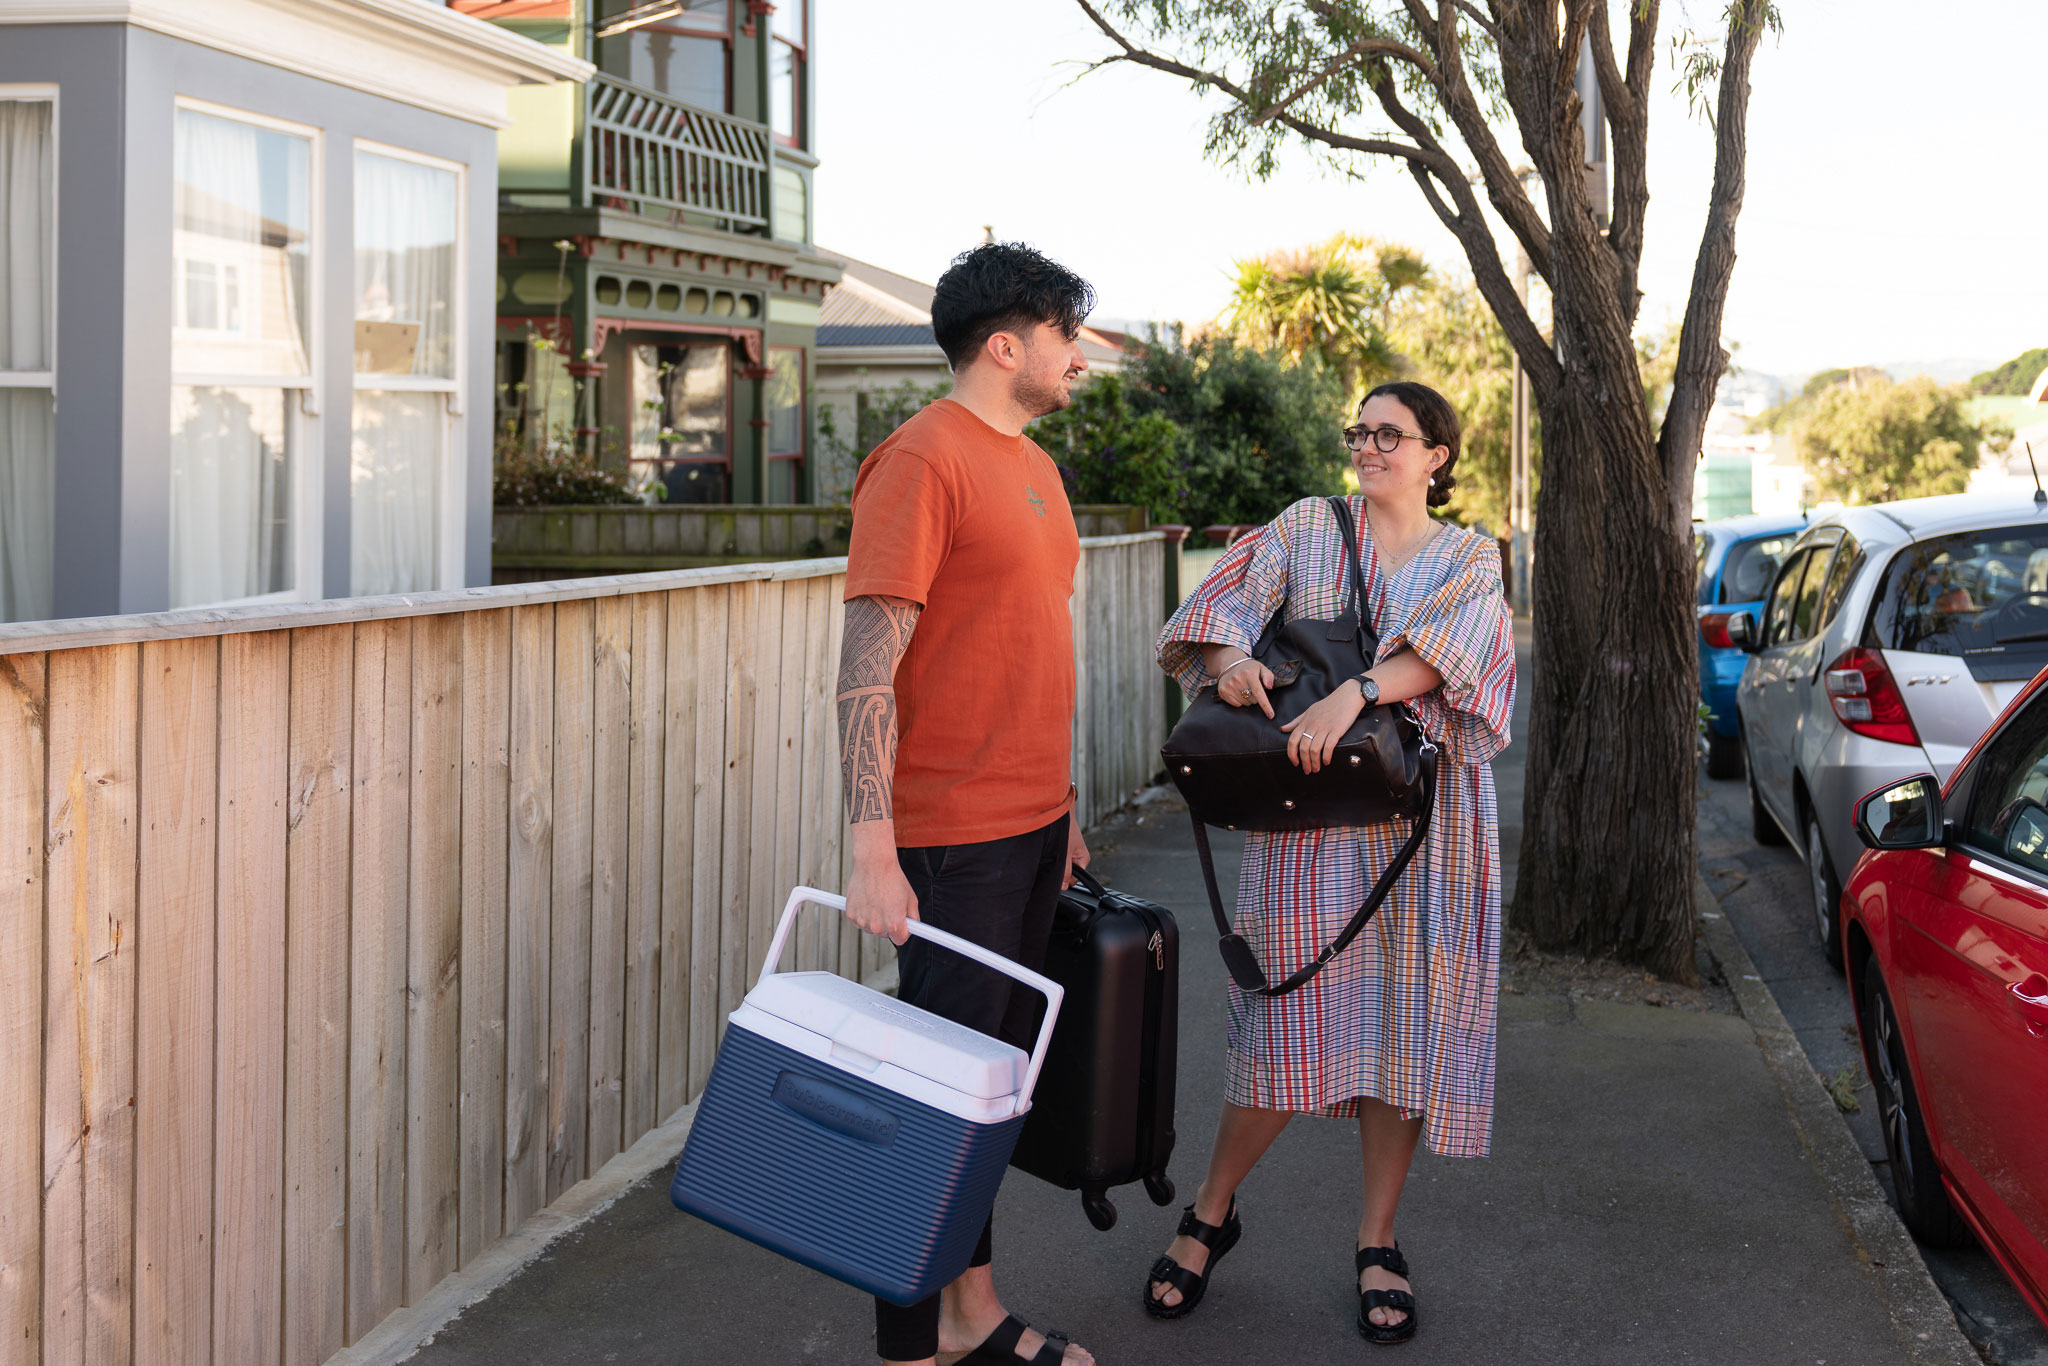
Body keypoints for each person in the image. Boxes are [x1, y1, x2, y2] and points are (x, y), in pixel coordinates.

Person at [1144, 380, 1515, 1345]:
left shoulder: (1474, 556)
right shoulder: (1308, 526)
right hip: (1309, 824)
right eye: (1361, 431)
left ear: (1439, 454)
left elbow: (1451, 655)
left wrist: (1351, 693)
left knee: (1403, 1031)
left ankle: (1377, 1239)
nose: (1370, 446)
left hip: (1426, 829)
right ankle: (1210, 1212)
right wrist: (1230, 660)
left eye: (1392, 434)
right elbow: (1221, 602)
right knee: (1283, 1024)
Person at [836, 242, 1098, 1366]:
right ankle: (908, 1350)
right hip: (951, 839)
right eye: (1064, 335)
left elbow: (1029, 640)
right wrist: (869, 843)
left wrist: (1067, 804)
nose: (1078, 356)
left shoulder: (1033, 465)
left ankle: (972, 1314)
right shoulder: (920, 459)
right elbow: (864, 665)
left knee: (987, 1094)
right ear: (1006, 344)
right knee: (929, 1110)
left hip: (1033, 823)